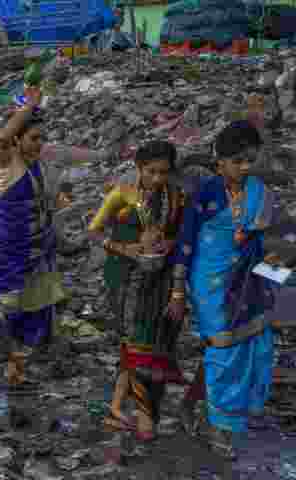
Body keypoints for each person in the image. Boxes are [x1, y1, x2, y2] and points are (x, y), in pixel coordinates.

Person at [177, 121, 282, 451]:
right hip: (211, 282)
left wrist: (275, 267)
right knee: (223, 348)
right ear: (219, 160)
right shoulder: (204, 194)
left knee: (256, 343)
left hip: (252, 278)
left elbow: (281, 236)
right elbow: (185, 242)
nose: (245, 168)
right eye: (238, 161)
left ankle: (233, 412)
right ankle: (219, 422)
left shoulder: (260, 193)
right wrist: (178, 291)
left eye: (250, 160)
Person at [86, 141, 194, 441]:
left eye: (164, 172)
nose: (158, 179)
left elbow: (183, 238)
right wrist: (125, 248)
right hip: (126, 279)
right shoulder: (122, 194)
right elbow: (94, 232)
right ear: (139, 169)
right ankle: (144, 413)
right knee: (135, 343)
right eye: (151, 172)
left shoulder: (176, 198)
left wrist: (169, 246)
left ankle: (121, 408)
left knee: (157, 341)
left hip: (162, 278)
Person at [0, 89, 68, 385]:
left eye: (42, 138)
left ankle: (19, 360)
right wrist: (29, 106)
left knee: (37, 301)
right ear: (18, 138)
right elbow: (3, 138)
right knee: (9, 304)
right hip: (10, 250)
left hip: (36, 247)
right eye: (33, 138)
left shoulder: (36, 165)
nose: (39, 144)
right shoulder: (5, 163)